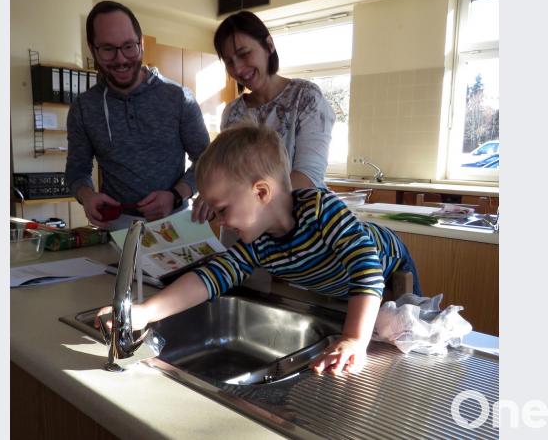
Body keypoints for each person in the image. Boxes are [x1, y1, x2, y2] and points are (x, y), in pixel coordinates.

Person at [96, 124, 420, 375]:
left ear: (261, 192)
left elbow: (366, 267)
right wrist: (145, 312)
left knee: (409, 341)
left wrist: (354, 339)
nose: (220, 221)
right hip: (340, 287)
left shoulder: (321, 210)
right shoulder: (258, 243)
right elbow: (212, 276)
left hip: (391, 267)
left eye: (223, 209)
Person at [66, 1, 209, 229]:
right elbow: (76, 171)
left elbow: (206, 160)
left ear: (141, 44)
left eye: (128, 46)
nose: (121, 59)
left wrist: (175, 195)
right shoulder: (83, 108)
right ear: (93, 50)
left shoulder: (179, 98)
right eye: (108, 49)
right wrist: (87, 196)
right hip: (116, 226)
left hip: (176, 222)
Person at [191, 10, 335, 223]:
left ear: (269, 45)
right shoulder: (233, 112)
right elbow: (229, 175)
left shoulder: (305, 97)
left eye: (244, 54)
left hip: (298, 226)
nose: (238, 69)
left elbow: (308, 177)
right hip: (244, 229)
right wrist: (211, 196)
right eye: (229, 62)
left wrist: (241, 201)